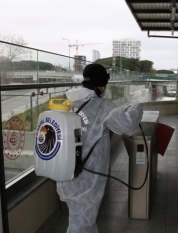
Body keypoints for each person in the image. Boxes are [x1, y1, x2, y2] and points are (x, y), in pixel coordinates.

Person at [56, 63, 143, 233]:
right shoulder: (102, 106)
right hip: (87, 177)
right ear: (101, 85)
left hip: (66, 173)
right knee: (81, 224)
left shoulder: (68, 103)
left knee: (83, 218)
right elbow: (126, 125)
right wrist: (136, 107)